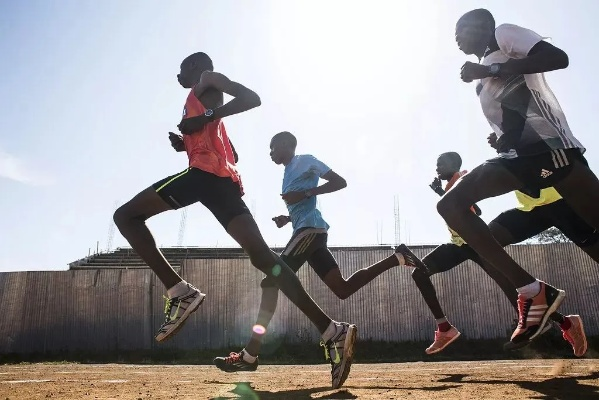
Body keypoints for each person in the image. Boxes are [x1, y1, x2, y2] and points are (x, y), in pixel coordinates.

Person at [112, 52, 356, 389]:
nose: (178, 75)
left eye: (182, 68)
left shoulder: (207, 79)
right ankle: (332, 330)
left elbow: (251, 99)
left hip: (203, 177)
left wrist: (204, 119)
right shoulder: (204, 101)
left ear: (196, 67)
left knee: (125, 216)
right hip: (222, 183)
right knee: (265, 259)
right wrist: (187, 142)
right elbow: (232, 153)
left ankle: (179, 291)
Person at [437, 8, 599, 347]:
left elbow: (557, 57)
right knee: (451, 205)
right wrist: (503, 138)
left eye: (461, 29)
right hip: (520, 160)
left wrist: (492, 68)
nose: (456, 37)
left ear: (482, 26)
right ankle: (532, 290)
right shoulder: (480, 81)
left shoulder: (504, 35)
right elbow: (516, 110)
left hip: (551, 152)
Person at [213, 131, 423, 372]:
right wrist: (287, 217)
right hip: (309, 231)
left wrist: (304, 194)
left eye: (272, 148)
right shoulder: (288, 172)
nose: (270, 153)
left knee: (270, 282)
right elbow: (302, 208)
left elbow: (339, 182)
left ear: (285, 144)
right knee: (342, 288)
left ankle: (251, 354)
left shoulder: (305, 160)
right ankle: (397, 258)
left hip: (309, 231)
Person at [411, 151, 592, 356]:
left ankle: (562, 322)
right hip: (462, 243)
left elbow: (475, 211)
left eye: (440, 163)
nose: (437, 168)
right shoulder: (449, 185)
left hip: (474, 242)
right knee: (421, 272)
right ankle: (445, 329)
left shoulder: (461, 178)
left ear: (454, 164)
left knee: (512, 286)